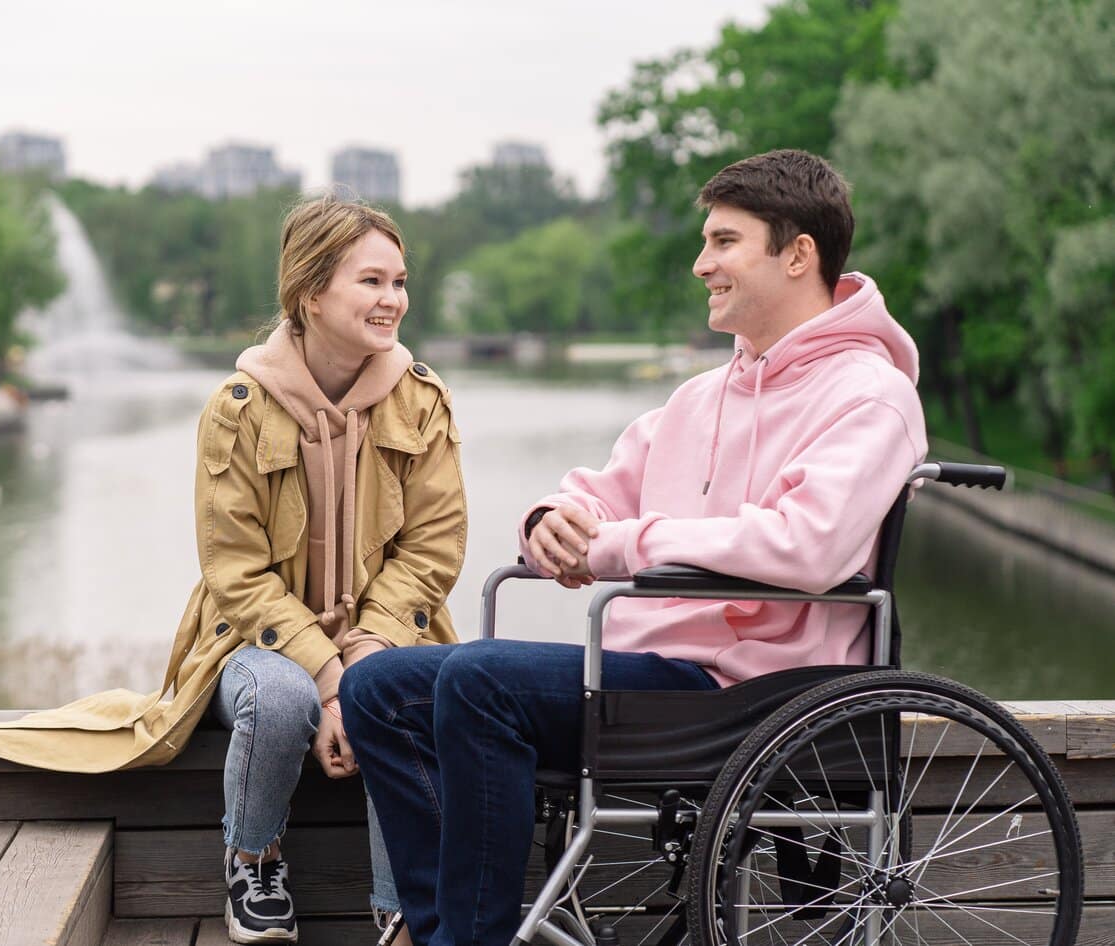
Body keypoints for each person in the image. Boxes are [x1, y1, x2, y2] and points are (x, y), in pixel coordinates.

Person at [340, 149, 927, 946]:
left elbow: (807, 549)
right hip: (649, 675)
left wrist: (620, 547)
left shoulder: (870, 395)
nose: (700, 263)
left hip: (753, 693)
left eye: (723, 242)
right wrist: (554, 517)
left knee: (481, 680)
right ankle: (440, 925)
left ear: (797, 254)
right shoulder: (700, 396)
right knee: (379, 685)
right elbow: (603, 491)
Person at [0, 195, 467, 945]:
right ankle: (252, 857)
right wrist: (330, 679)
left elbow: (432, 548)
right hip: (255, 641)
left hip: (386, 637)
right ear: (311, 294)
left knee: (400, 700)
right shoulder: (238, 407)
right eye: (371, 282)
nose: (392, 300)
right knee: (276, 699)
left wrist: (360, 663)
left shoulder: (421, 400)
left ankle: (404, 909)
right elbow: (235, 570)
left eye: (399, 281)